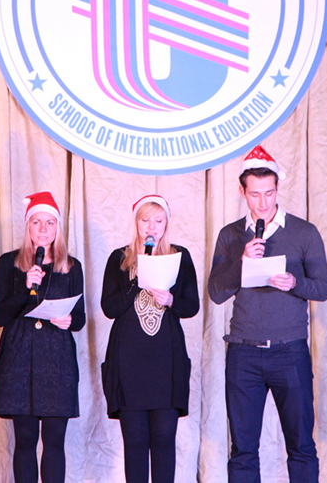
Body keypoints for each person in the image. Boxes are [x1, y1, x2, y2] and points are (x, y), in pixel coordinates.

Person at [207, 146, 327, 483]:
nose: (262, 202)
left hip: (289, 352)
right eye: (254, 194)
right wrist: (242, 262)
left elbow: (323, 288)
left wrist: (294, 282)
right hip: (243, 353)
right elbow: (216, 293)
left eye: (269, 193)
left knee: (301, 445)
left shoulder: (304, 232)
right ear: (242, 192)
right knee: (243, 450)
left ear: (278, 188)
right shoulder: (231, 235)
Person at [101, 194, 199, 483]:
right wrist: (137, 279)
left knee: (164, 437)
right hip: (128, 362)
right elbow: (109, 308)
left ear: (166, 223)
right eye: (145, 220)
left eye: (158, 220)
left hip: (166, 362)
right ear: (136, 223)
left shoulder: (180, 256)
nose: (151, 227)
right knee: (134, 439)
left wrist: (171, 300)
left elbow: (191, 306)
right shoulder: (119, 258)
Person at [0, 192, 85, 483]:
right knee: (25, 438)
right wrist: (24, 287)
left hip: (57, 360)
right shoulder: (9, 263)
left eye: (50, 222)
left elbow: (80, 318)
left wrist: (69, 320)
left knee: (55, 439)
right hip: (18, 358)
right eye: (36, 222)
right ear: (27, 226)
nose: (43, 229)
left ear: (58, 227)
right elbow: (0, 315)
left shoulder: (71, 266)